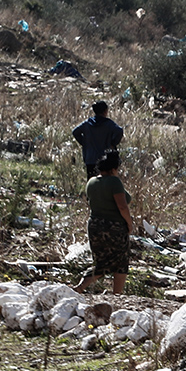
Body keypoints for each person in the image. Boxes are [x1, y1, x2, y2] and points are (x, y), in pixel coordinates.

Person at [75, 151, 133, 296]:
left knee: (102, 259)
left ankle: (115, 293)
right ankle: (84, 286)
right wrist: (129, 223)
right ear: (114, 168)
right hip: (114, 227)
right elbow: (122, 206)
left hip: (95, 225)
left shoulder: (92, 182)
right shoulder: (114, 182)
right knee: (118, 261)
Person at [71, 101, 124, 177]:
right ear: (105, 111)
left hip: (90, 159)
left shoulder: (87, 124)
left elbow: (75, 132)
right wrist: (113, 143)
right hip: (105, 159)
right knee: (105, 184)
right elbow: (119, 131)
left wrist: (85, 143)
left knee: (92, 184)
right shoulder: (108, 124)